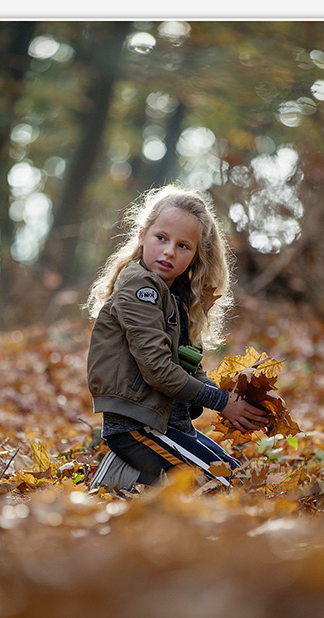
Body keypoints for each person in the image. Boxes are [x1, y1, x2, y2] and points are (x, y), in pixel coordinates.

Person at [84, 185, 268, 491]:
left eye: (183, 246)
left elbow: (189, 369)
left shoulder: (177, 298)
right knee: (224, 485)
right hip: (137, 428)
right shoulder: (140, 290)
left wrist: (232, 401)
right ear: (142, 236)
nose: (169, 251)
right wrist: (222, 403)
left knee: (238, 476)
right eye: (161, 238)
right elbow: (158, 370)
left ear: (196, 256)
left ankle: (134, 474)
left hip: (169, 424)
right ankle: (127, 475)